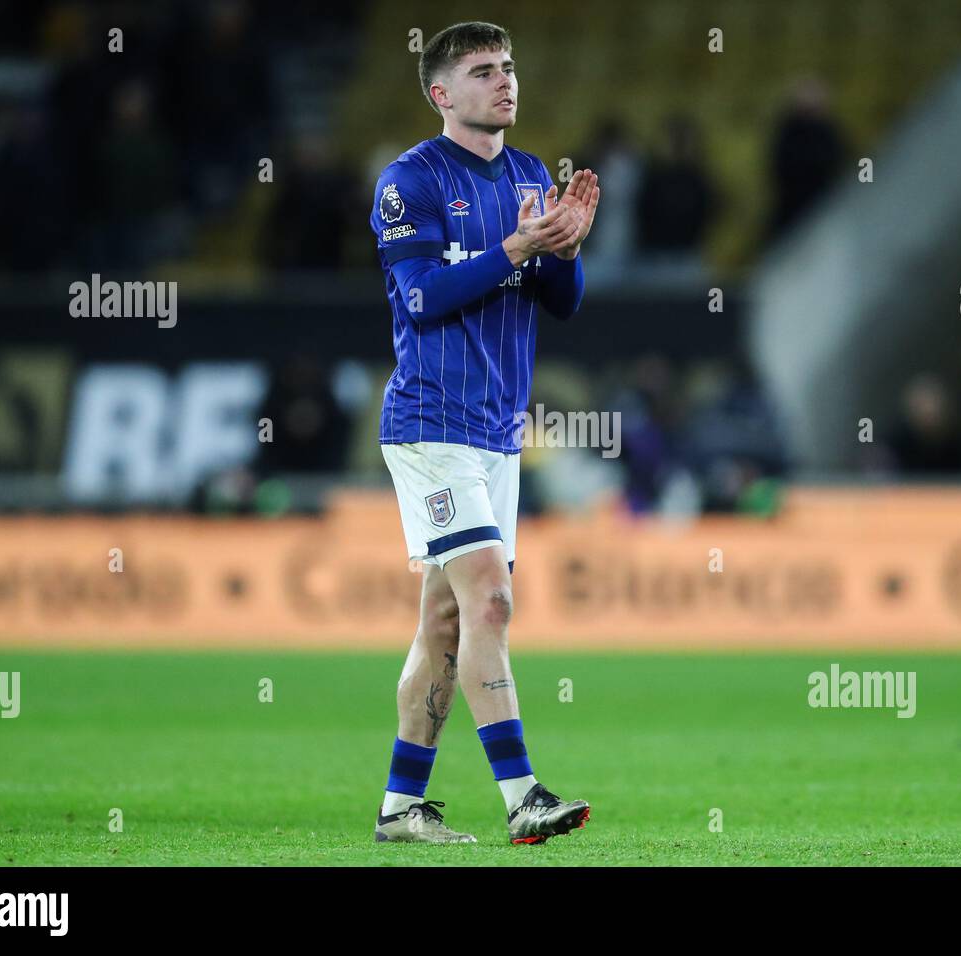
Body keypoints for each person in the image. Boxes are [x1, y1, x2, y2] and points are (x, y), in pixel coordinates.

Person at [367, 21, 599, 845]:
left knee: (447, 624)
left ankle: (402, 807)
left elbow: (561, 301)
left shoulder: (532, 174)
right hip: (430, 423)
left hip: (497, 433)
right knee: (492, 600)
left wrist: (564, 249)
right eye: (482, 71)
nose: (504, 82)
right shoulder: (411, 181)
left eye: (508, 66)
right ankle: (524, 796)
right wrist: (514, 245)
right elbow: (422, 297)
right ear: (441, 93)